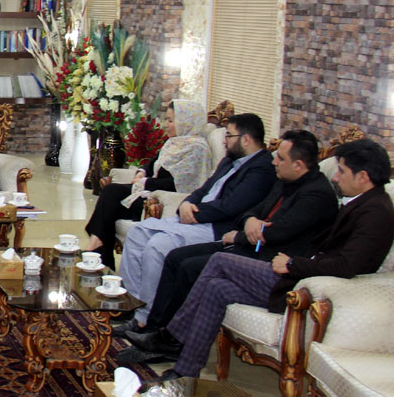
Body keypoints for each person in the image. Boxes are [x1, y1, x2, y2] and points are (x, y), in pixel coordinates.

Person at [138, 139, 394, 386]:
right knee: (217, 287)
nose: (336, 177)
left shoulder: (376, 212)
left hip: (307, 288)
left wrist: (294, 265)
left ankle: (171, 336)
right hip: (296, 277)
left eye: (342, 171)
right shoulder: (361, 203)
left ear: (363, 177)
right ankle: (185, 370)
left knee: (219, 260)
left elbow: (346, 265)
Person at [118, 130, 338, 363]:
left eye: (281, 158)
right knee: (176, 257)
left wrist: (241, 236)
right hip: (251, 247)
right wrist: (251, 221)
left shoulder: (317, 195)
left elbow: (278, 232)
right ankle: (154, 330)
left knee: (191, 267)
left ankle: (170, 342)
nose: (274, 161)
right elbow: (253, 212)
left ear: (299, 164)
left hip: (269, 261)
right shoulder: (286, 181)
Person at [117, 113, 275, 332]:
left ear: (246, 139)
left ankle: (146, 316)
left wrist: (195, 213)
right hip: (196, 218)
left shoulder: (263, 168)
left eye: (229, 135)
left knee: (158, 245)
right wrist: (188, 203)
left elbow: (233, 206)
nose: (224, 140)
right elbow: (204, 188)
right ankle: (132, 305)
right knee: (138, 232)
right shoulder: (230, 160)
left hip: (216, 228)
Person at [84, 100, 210, 268]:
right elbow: (152, 163)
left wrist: (144, 182)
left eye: (171, 120)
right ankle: (98, 249)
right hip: (147, 191)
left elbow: (175, 184)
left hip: (162, 201)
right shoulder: (174, 142)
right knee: (110, 193)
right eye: (167, 119)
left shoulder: (197, 148)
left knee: (112, 194)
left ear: (186, 122)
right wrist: (142, 172)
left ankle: (97, 250)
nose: (166, 125)